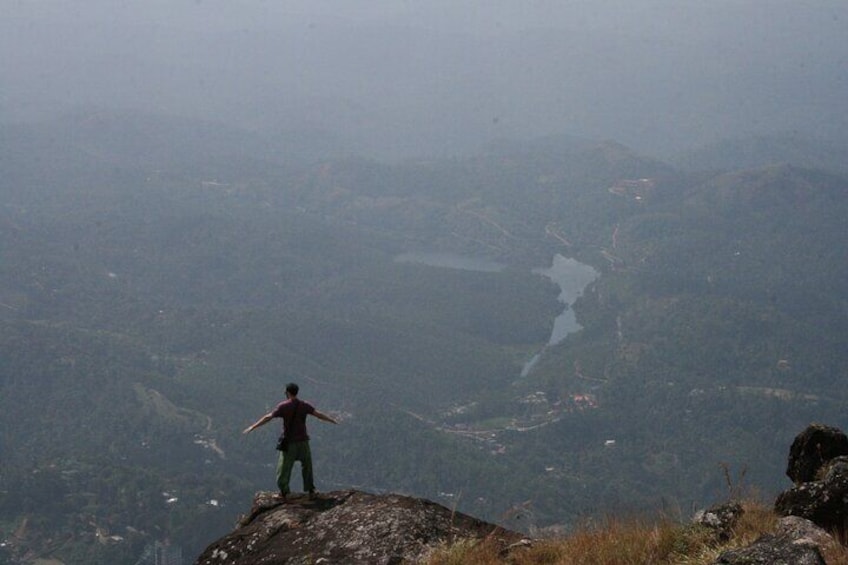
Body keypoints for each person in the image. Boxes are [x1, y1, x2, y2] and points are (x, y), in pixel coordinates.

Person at [243, 382, 338, 499]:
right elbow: (318, 414)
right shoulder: (304, 405)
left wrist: (253, 427)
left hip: (290, 443)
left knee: (284, 468)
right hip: (303, 441)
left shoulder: (283, 406)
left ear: (287, 393)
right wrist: (331, 420)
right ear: (297, 392)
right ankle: (311, 490)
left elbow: (268, 417)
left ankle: (284, 492)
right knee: (307, 465)